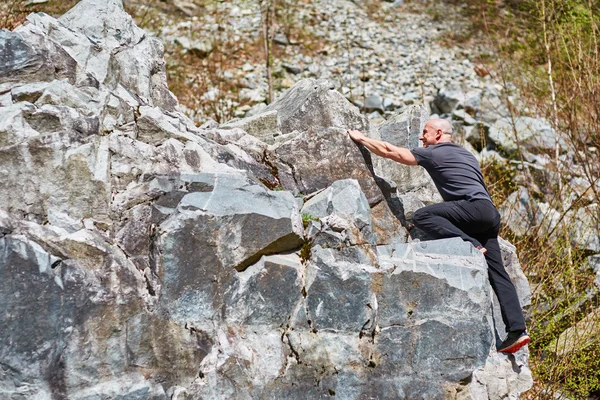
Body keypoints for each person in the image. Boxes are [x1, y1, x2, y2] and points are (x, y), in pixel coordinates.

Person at [347, 119, 530, 354]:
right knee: (499, 274)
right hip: (489, 214)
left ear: (439, 133)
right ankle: (517, 330)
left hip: (472, 210)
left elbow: (391, 152)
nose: (421, 138)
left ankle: (469, 243)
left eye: (425, 133)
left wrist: (361, 138)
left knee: (422, 216)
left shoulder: (435, 152)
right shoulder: (466, 155)